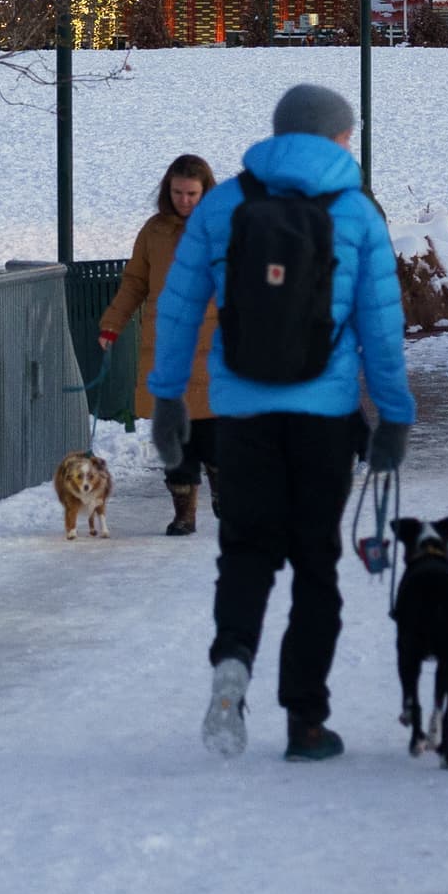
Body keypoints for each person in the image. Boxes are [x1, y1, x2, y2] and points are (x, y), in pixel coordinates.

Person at [148, 82, 412, 764]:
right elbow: (382, 331)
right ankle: (306, 722)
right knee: (314, 565)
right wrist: (394, 418)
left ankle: (233, 660)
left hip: (241, 414)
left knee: (245, 550)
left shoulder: (225, 205)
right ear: (333, 138)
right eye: (346, 135)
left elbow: (178, 306)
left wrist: (169, 398)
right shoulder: (356, 213)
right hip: (323, 419)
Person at [98, 154, 221, 534]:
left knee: (218, 436)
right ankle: (184, 513)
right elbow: (135, 281)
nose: (185, 200)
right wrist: (112, 323)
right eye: (178, 192)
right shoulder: (153, 232)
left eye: (192, 193)